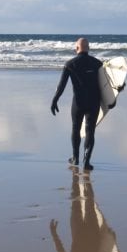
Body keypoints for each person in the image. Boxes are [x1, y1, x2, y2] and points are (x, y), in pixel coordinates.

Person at [50, 37, 103, 171]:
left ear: (76, 49)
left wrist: (55, 100)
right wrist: (111, 101)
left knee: (75, 128)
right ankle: (86, 161)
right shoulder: (97, 64)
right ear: (88, 48)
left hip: (78, 102)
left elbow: (61, 85)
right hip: (94, 102)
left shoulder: (70, 64)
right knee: (90, 131)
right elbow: (107, 85)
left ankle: (75, 158)